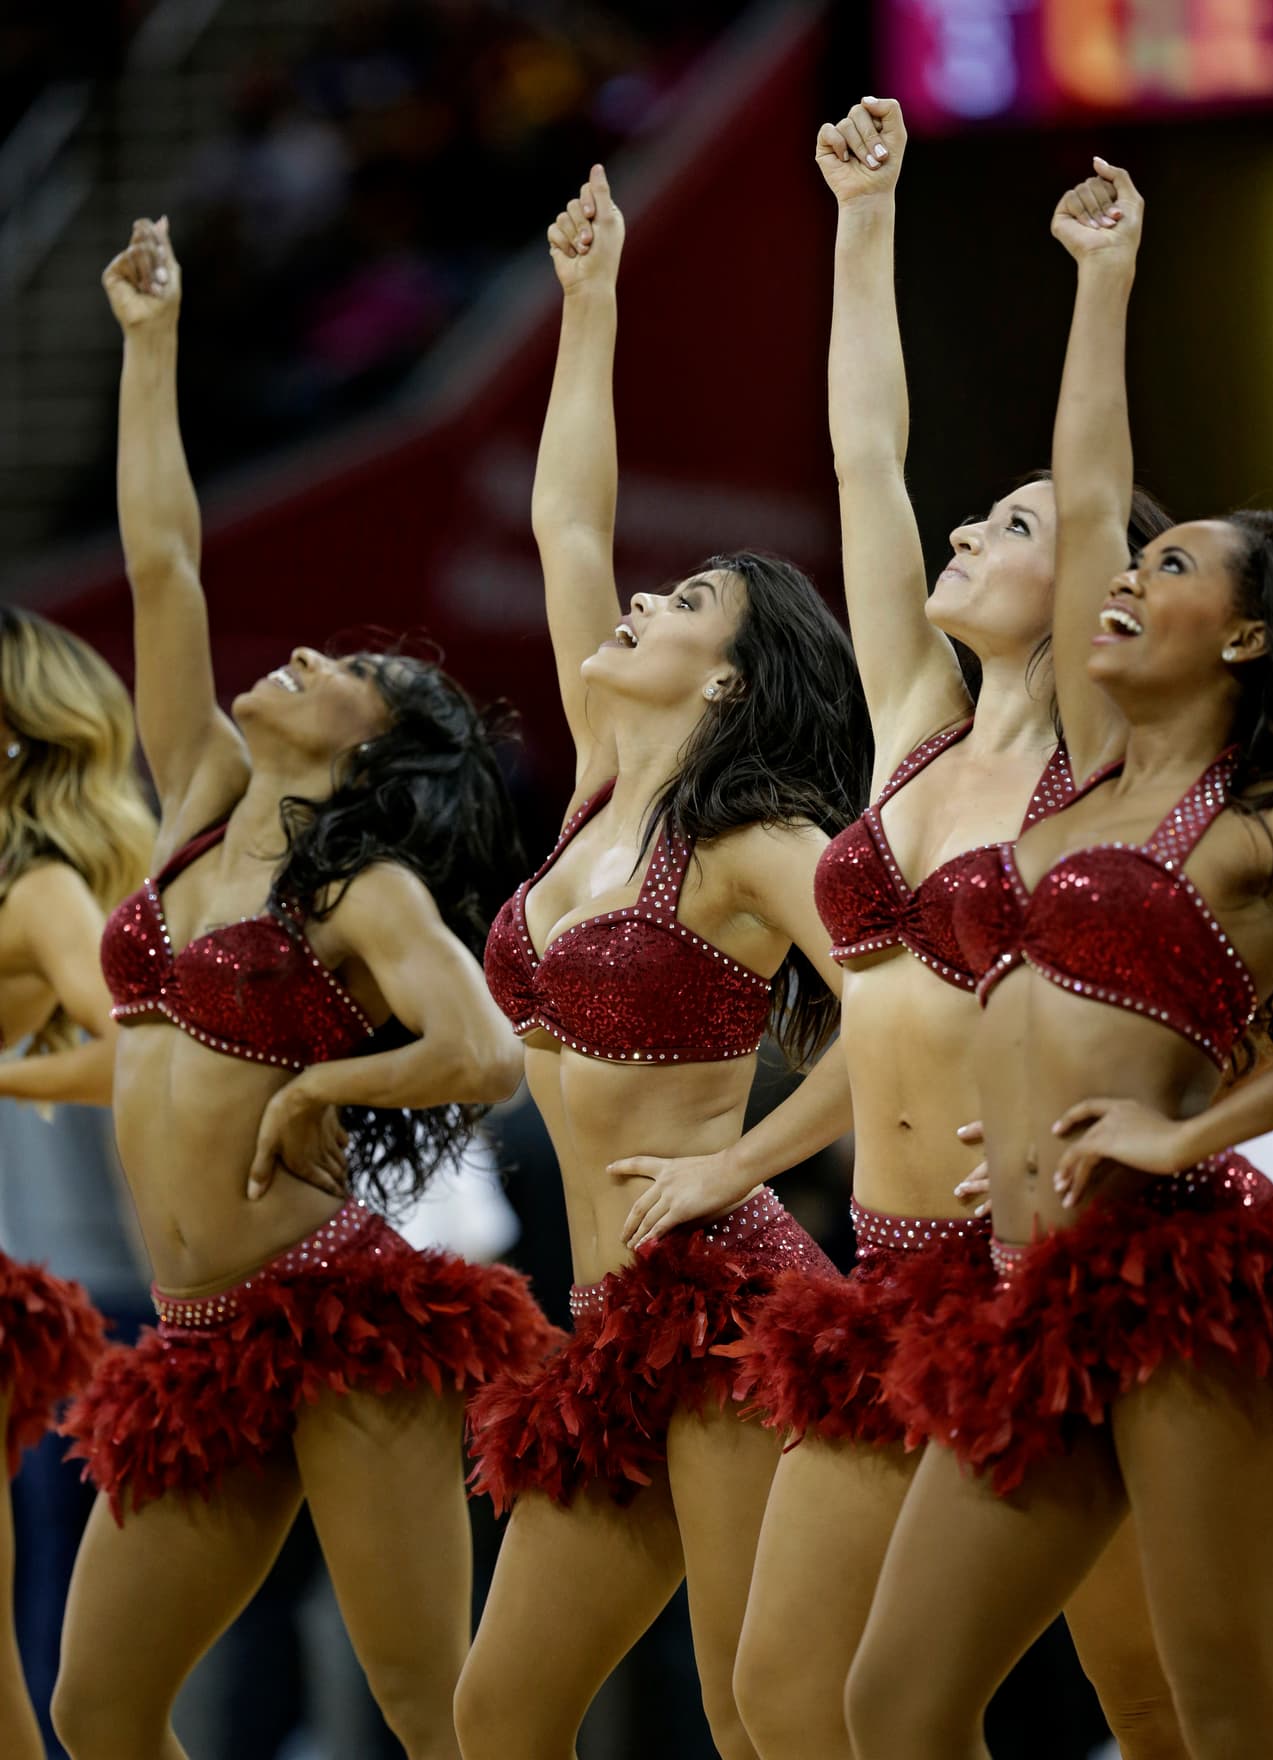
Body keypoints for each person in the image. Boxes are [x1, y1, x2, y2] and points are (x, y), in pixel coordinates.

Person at [608, 102, 1183, 1759]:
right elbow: (869, 458)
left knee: (1154, 1697)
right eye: (977, 520)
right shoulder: (916, 726)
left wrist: (1101, 282)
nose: (967, 535)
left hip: (1048, 1275)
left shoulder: (1090, 758)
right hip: (881, 1277)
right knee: (798, 1702)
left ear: (1096, 583)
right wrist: (863, 221)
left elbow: (1087, 483)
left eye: (1010, 532)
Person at [53, 217, 554, 1760]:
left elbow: (483, 1056)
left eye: (342, 667)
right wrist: (150, 346)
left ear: (370, 746)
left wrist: (329, 1087)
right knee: (101, 1705)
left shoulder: (367, 889)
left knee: (428, 1705)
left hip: (339, 1314)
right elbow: (161, 557)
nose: (303, 658)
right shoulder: (200, 791)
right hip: (194, 1333)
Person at [846, 158, 1273, 1760]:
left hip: (1179, 1282)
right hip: (1022, 1291)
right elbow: (1093, 488)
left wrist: (1185, 1134)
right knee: (897, 1705)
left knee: (1219, 1699)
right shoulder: (1085, 770)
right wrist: (1103, 280)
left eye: (1172, 572)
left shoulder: (1254, 827)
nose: (1125, 577)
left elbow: (1096, 505)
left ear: (1242, 637)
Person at [456, 165, 864, 1760]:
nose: (638, 596)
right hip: (602, 1322)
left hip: (731, 1304)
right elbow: (565, 516)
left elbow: (892, 1017)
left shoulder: (753, 843)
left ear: (738, 677)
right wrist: (590, 302)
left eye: (686, 598)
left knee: (761, 1718)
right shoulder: (603, 788)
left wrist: (730, 1171)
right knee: (504, 1721)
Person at [0, 606, 154, 1759]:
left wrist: (8, 1075)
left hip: (72, 1287)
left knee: (33, 1648)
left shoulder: (40, 884)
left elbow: (142, 1046)